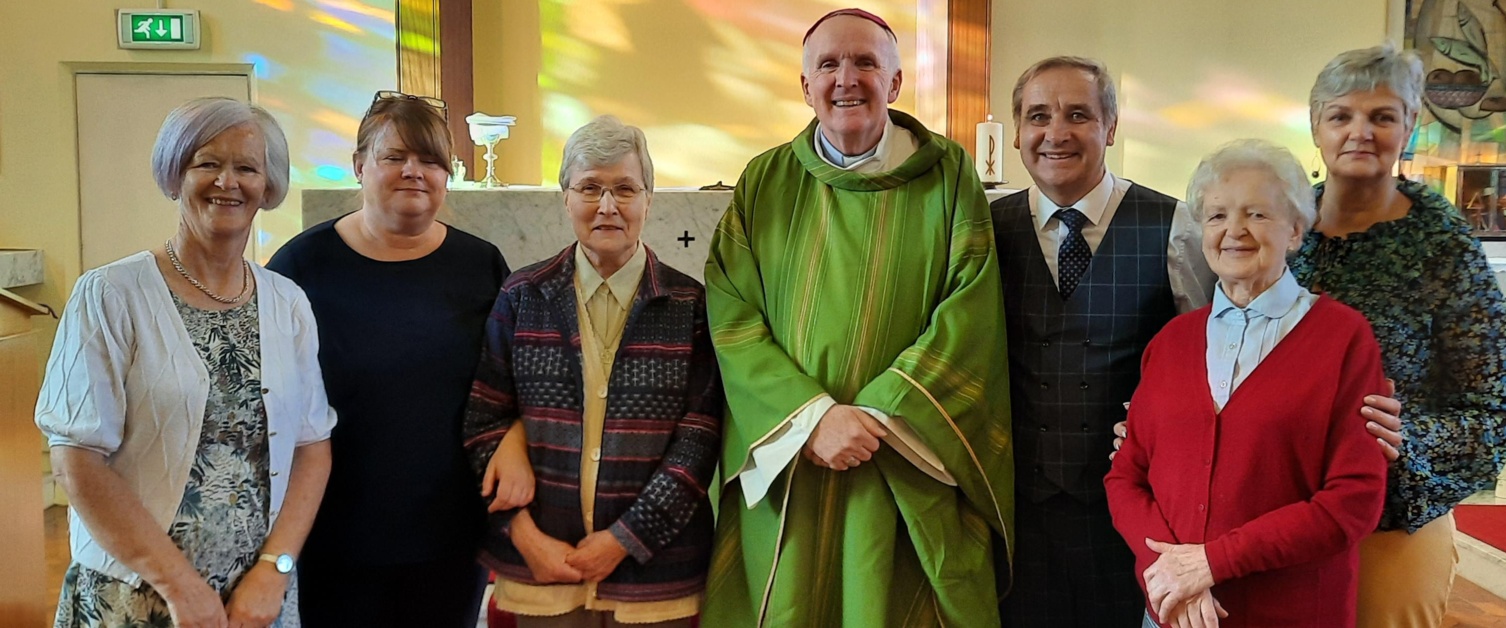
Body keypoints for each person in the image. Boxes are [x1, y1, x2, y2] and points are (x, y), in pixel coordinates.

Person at [702, 8, 1013, 627]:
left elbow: (969, 313)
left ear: (895, 84)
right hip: (793, 458)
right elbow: (732, 313)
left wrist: (874, 418)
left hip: (903, 453)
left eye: (866, 62)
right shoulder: (766, 180)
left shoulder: (950, 177)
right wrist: (812, 418)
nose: (847, 78)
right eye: (828, 64)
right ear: (805, 85)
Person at [37, 97, 335, 628]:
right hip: (134, 597)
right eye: (207, 163)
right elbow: (77, 460)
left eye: (247, 168)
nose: (228, 182)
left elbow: (313, 447)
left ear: (268, 188)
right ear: (175, 176)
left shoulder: (288, 302)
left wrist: (276, 568)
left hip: (257, 601)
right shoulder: (110, 294)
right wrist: (180, 585)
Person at [1105, 139, 1388, 628]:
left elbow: (1353, 501)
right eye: (1216, 216)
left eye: (1257, 214)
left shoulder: (1344, 337)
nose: (1233, 231)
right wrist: (1172, 567)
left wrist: (1210, 564)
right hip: (1172, 612)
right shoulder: (1171, 342)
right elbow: (1125, 477)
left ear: (1296, 230)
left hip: (1290, 614)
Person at [461, 115, 722, 628]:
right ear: (565, 198)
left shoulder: (689, 305)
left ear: (649, 200)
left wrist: (625, 539)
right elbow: (482, 423)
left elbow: (700, 439)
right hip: (544, 567)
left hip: (655, 575)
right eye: (589, 188)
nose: (607, 206)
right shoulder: (522, 295)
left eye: (625, 189)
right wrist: (524, 535)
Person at [266, 91, 510, 627]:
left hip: (449, 529)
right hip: (333, 529)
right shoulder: (301, 266)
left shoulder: (481, 265)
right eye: (394, 156)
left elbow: (510, 383)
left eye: (430, 160)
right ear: (359, 166)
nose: (413, 172)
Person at [989, 56, 1216, 626]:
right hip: (1017, 511)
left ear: (1110, 128)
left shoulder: (1176, 225)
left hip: (1132, 512)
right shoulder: (984, 229)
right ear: (1016, 133)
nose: (1055, 133)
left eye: (1078, 114)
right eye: (1038, 116)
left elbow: (1210, 363)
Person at [1291, 44, 1506, 628]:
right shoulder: (1279, 228)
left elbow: (1491, 409)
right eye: (1341, 116)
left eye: (1382, 116)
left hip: (1391, 518)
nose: (1360, 132)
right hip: (1278, 510)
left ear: (1409, 125)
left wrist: (1403, 435)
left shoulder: (1443, 244)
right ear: (1316, 127)